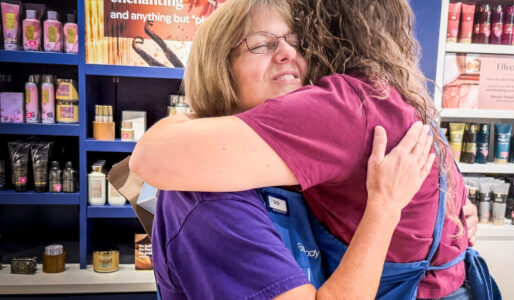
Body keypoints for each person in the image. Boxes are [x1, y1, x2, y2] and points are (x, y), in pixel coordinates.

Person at [132, 0, 490, 299]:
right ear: (218, 67)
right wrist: (383, 209)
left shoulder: (289, 166)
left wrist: (448, 216)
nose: (288, 53)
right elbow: (151, 157)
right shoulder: (207, 196)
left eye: (297, 42)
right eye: (262, 43)